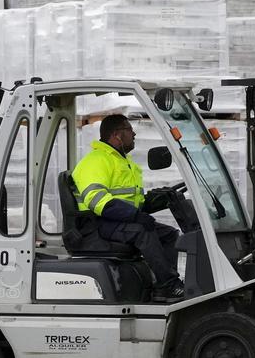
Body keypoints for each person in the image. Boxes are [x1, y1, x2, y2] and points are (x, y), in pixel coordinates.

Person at [72, 114, 185, 302]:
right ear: (117, 135)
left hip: (117, 219)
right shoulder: (97, 160)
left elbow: (130, 200)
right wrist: (135, 215)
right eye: (129, 129)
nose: (134, 134)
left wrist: (156, 201)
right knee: (144, 230)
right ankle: (169, 285)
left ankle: (161, 285)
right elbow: (96, 199)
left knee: (170, 234)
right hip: (98, 223)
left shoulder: (122, 160)